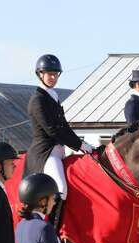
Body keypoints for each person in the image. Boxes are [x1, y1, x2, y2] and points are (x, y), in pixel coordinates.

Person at [24, 54, 95, 230]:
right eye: (49, 74)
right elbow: (53, 130)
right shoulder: (38, 100)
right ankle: (52, 230)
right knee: (61, 188)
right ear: (40, 74)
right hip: (45, 153)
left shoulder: (53, 96)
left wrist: (83, 145)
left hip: (58, 150)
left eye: (56, 74)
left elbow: (65, 127)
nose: (53, 77)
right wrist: (79, 145)